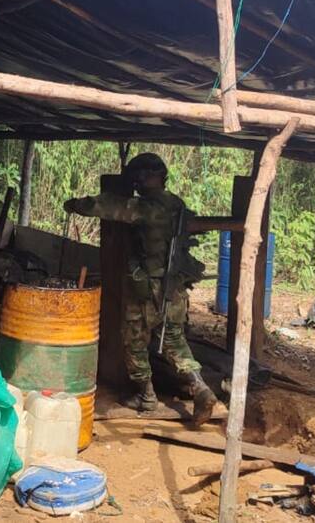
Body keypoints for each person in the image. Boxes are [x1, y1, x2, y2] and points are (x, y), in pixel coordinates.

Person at [63, 153, 217, 425]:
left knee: (134, 341)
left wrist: (75, 204)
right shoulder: (176, 205)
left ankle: (146, 396)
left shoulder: (147, 208)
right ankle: (200, 387)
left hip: (148, 288)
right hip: (175, 288)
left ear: (141, 178)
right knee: (174, 341)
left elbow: (109, 206)